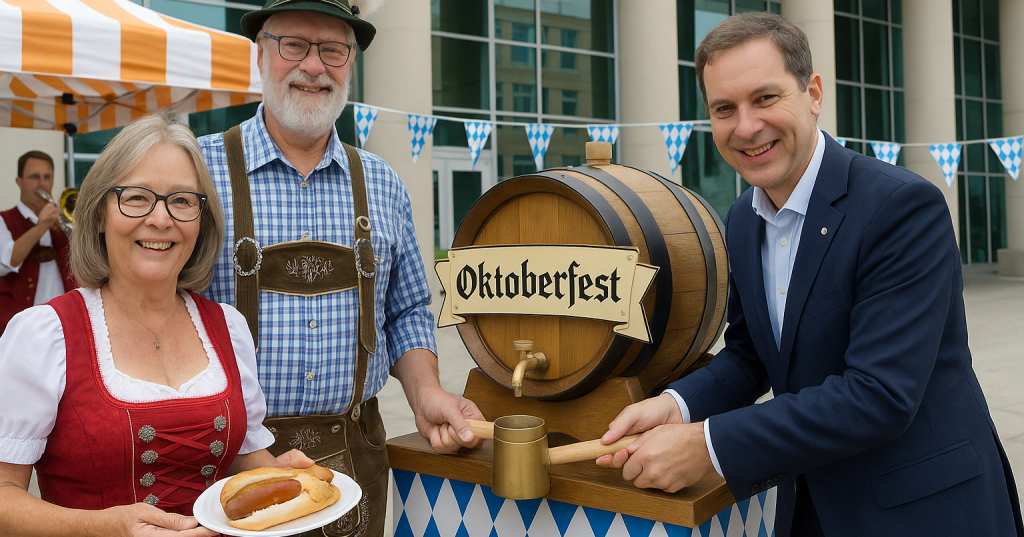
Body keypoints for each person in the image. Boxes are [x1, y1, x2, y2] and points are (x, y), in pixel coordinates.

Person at [597, 12, 1023, 537]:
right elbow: (751, 355)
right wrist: (676, 406)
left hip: (923, 510)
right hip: (813, 506)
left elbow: (879, 394)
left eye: (765, 98)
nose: (746, 127)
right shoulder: (742, 219)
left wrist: (708, 445)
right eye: (724, 109)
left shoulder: (902, 206)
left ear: (813, 93)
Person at [197, 2, 482, 536]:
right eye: (294, 45)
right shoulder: (197, 171)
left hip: (356, 457)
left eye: (333, 50)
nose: (314, 66)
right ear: (261, 54)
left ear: (350, 62)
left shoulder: (382, 182)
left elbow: (406, 310)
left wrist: (426, 395)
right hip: (226, 461)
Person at [0, 114, 315, 536]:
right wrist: (104, 527)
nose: (161, 219)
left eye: (182, 200)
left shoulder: (227, 327)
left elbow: (242, 460)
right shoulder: (45, 335)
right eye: (136, 197)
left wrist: (280, 475)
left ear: (201, 220)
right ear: (99, 214)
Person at [0, 151, 77, 333]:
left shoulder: (62, 221)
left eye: (47, 177)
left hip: (61, 324)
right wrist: (41, 226)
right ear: (19, 182)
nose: (42, 184)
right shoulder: (3, 220)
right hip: (19, 327)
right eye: (34, 177)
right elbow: (8, 262)